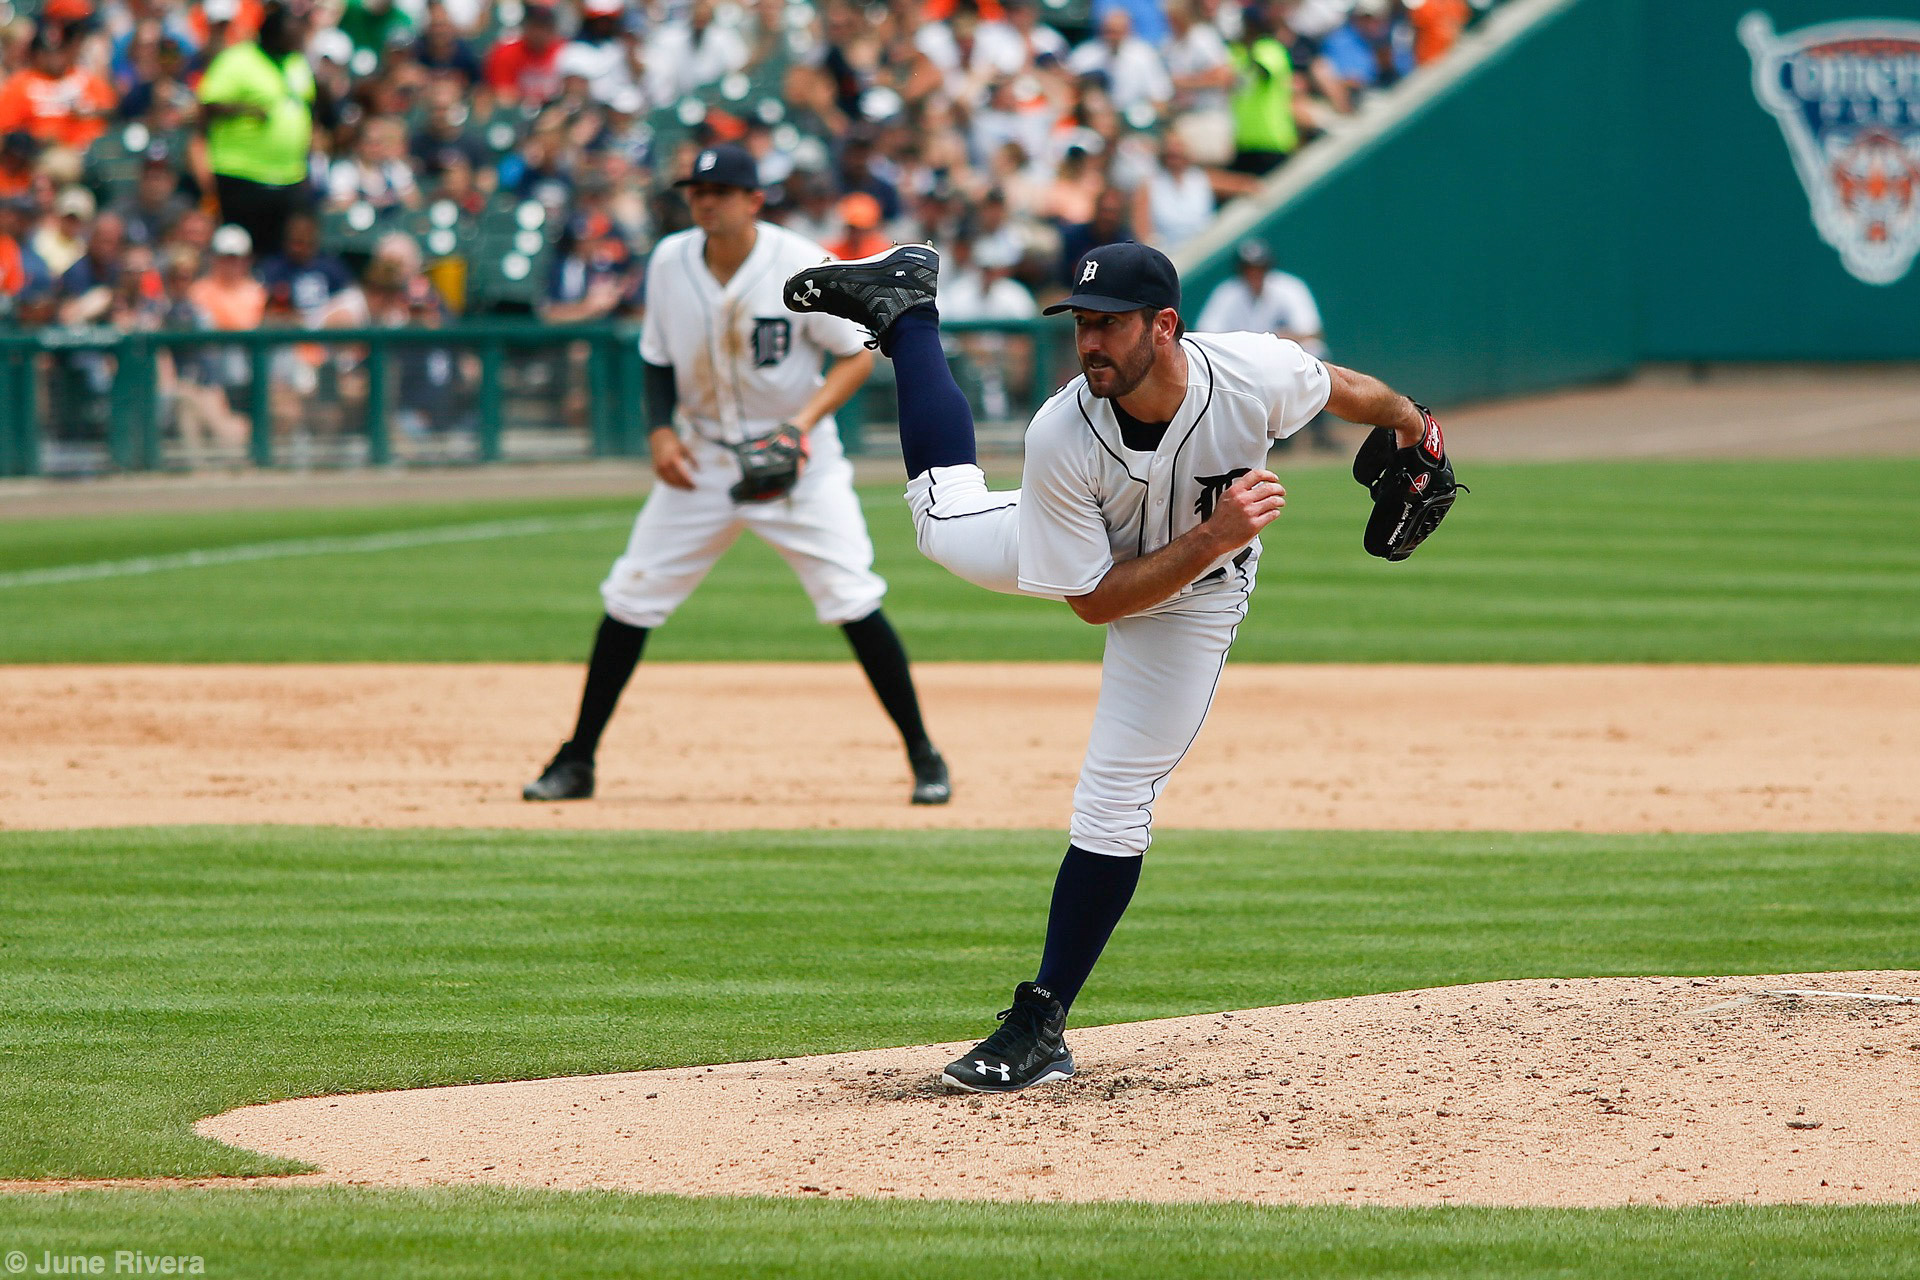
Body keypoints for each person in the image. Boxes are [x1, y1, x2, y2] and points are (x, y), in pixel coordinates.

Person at [783, 239, 1455, 1091]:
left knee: (1113, 799)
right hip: (1107, 563)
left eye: (1108, 325)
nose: (1089, 342)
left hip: (1194, 602)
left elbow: (1343, 387)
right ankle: (910, 315)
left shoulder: (1252, 373)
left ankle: (1041, 1023)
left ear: (1164, 325)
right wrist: (1216, 533)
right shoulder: (1062, 431)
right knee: (938, 523)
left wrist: (1411, 424)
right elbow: (1095, 600)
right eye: (1081, 325)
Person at [523, 144, 952, 808]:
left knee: (851, 595)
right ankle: (576, 759)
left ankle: (924, 755)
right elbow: (656, 357)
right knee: (630, 598)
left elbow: (853, 360)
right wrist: (660, 431)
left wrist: (801, 425)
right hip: (705, 458)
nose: (705, 200)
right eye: (697, 189)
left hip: (798, 462)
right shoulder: (669, 261)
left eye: (720, 189)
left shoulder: (801, 262)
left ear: (754, 200)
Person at [195, 0, 318, 260]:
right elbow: (208, 104)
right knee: (240, 246)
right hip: (240, 171)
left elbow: (307, 104)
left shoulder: (297, 63)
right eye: (291, 30)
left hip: (288, 173)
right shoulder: (237, 59)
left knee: (279, 249)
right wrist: (245, 108)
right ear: (273, 33)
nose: (296, 36)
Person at [1196, 238, 1334, 448]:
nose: (1254, 274)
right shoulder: (1227, 293)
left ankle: (1321, 434)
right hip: (1242, 360)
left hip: (1284, 356)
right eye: (1249, 268)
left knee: (1316, 352)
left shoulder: (1289, 287)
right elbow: (1205, 333)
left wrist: (1276, 339)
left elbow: (1313, 331)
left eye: (1259, 268)